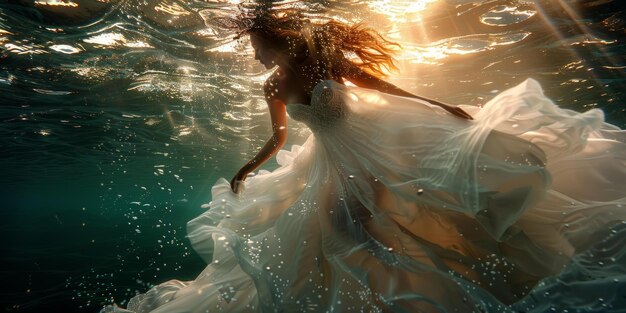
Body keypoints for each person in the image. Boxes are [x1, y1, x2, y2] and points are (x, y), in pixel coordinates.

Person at [104, 7, 626, 313]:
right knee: (341, 229)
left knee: (383, 219)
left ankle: (424, 284)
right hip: (329, 163)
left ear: (279, 40)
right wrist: (248, 167)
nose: (257, 56)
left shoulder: (324, 62)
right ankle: (395, 292)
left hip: (372, 150)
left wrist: (440, 105)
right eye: (255, 49)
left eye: (261, 46)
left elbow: (384, 85)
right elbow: (280, 138)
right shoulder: (273, 85)